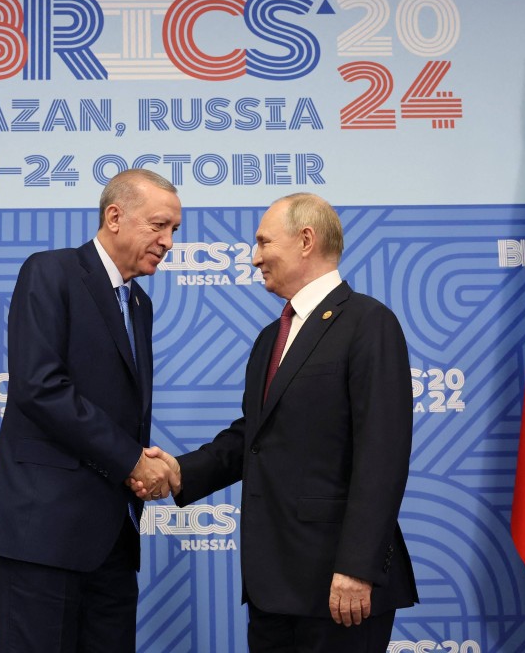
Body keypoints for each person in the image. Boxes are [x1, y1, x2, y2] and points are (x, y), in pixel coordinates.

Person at [136, 193, 418, 652]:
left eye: (264, 242)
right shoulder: (272, 337)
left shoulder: (369, 324)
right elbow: (254, 436)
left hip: (337, 584)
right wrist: (180, 471)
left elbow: (382, 456)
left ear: (306, 240)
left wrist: (357, 568)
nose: (255, 257)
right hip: (273, 585)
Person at [0, 169, 182, 652]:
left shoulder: (140, 306)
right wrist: (133, 461)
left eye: (174, 229)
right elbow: (41, 388)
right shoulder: (51, 272)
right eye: (159, 225)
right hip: (43, 537)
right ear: (115, 216)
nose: (169, 241)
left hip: (112, 540)